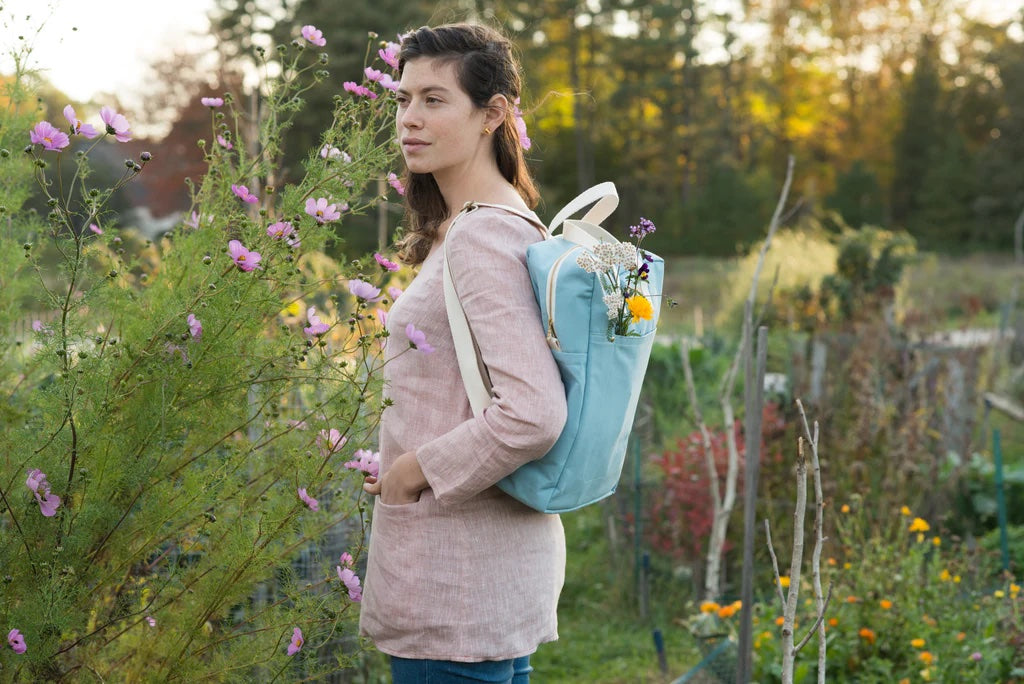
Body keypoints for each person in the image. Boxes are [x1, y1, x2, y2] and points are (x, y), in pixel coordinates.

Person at [359, 22, 569, 684]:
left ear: (494, 114)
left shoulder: (482, 235)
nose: (409, 119)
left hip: (456, 586)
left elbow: (534, 412)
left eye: (434, 99)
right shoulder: (500, 222)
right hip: (487, 581)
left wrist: (415, 468)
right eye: (403, 99)